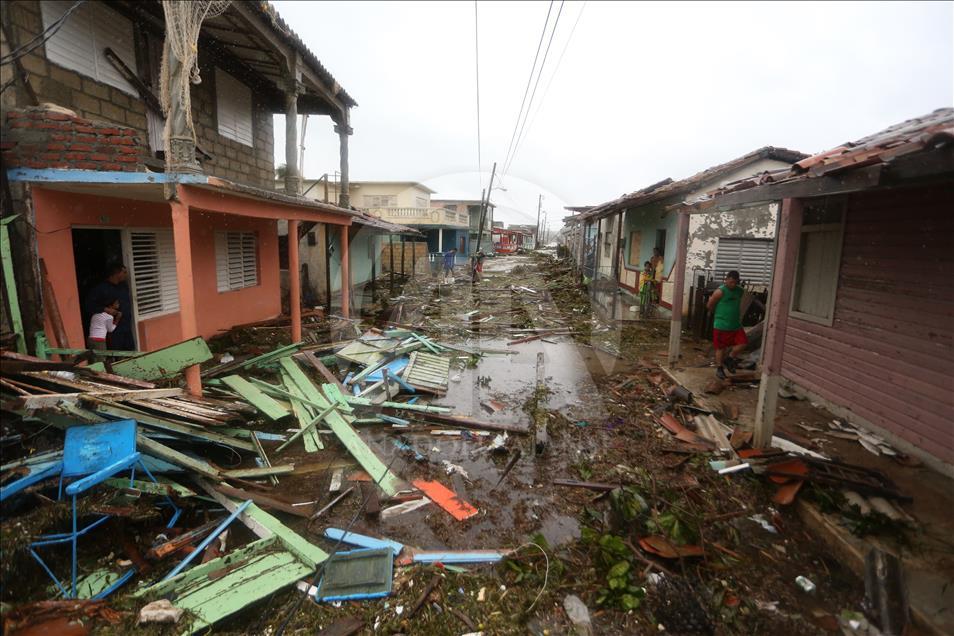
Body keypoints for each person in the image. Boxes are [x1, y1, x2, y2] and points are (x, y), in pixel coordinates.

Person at [84, 262, 135, 351]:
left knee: (130, 351)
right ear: (117, 273)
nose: (126, 275)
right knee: (116, 354)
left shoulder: (124, 286)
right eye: (124, 272)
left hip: (126, 327)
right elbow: (89, 306)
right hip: (113, 329)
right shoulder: (101, 289)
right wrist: (106, 309)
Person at [707, 270, 747, 380]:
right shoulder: (719, 292)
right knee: (721, 348)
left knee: (743, 343)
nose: (733, 285)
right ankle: (719, 369)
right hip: (721, 325)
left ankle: (730, 358)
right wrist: (718, 315)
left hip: (735, 325)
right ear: (726, 280)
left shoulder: (740, 291)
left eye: (735, 282)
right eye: (731, 282)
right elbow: (710, 305)